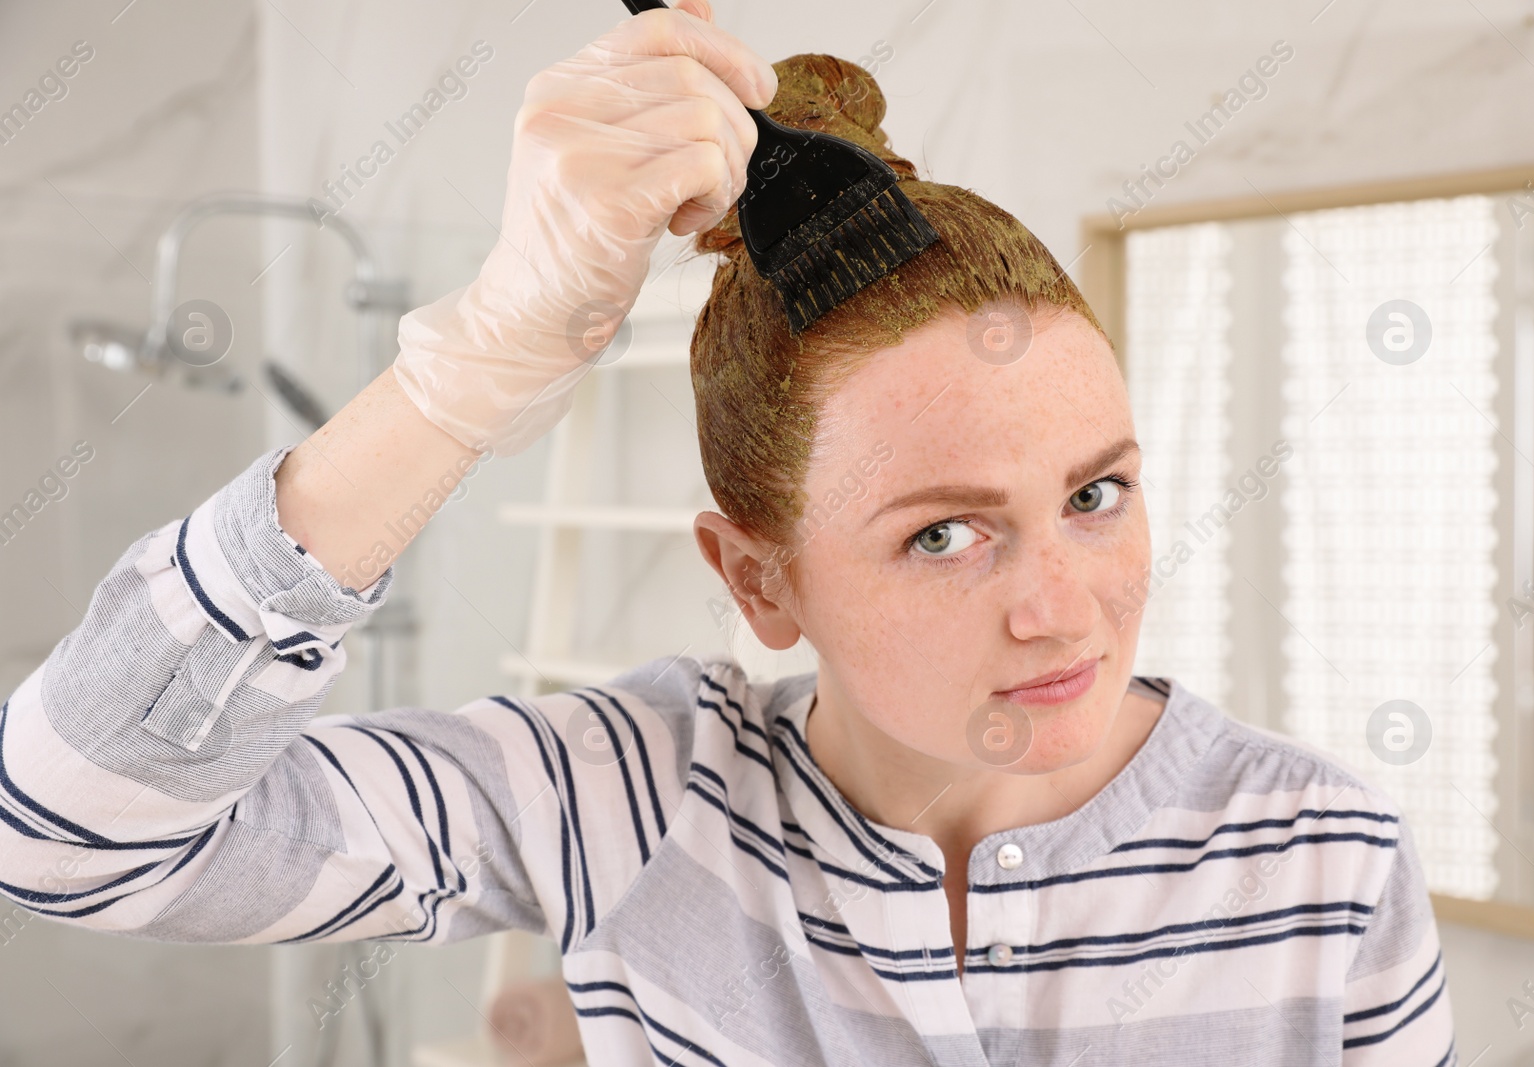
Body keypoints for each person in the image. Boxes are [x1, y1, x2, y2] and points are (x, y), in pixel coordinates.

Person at [0, 3, 1457, 1064]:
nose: (1064, 610)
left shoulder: (1321, 861)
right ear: (757, 580)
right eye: (945, 536)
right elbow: (72, 832)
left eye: (1094, 495)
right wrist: (465, 375)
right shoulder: (627, 797)